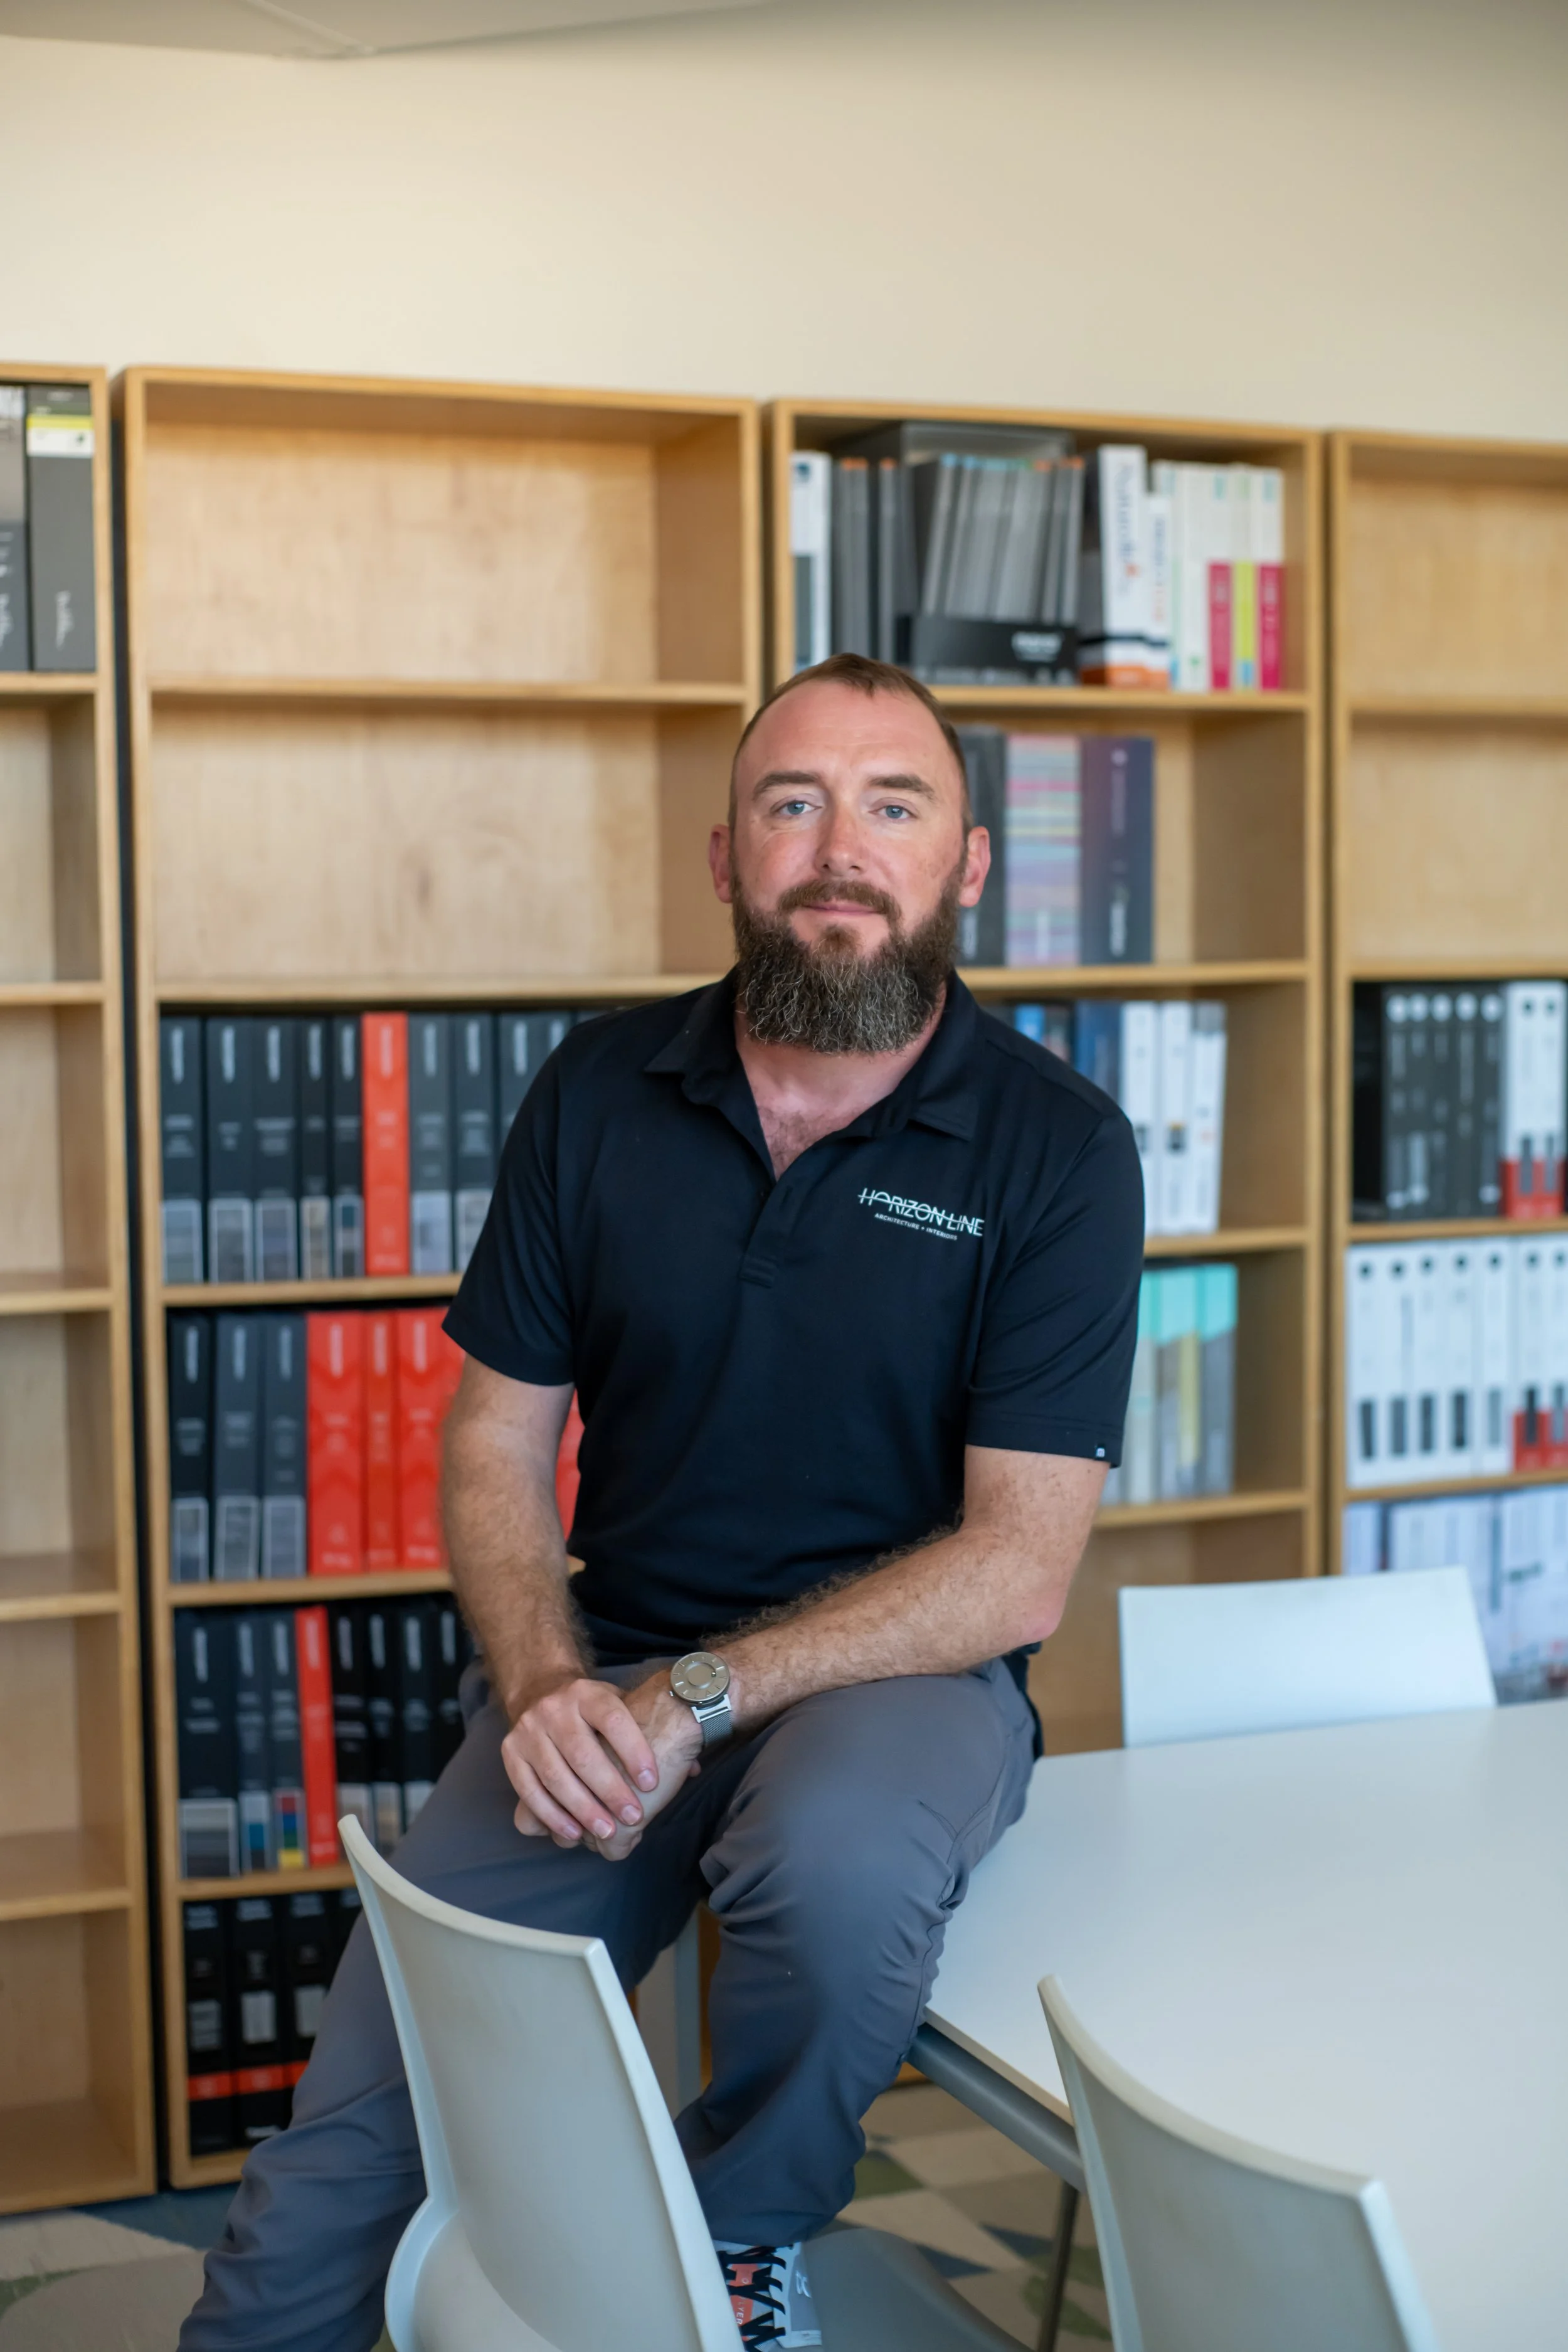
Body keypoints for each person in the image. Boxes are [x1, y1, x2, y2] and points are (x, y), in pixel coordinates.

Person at [179, 652, 1143, 2352]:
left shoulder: (1056, 1147)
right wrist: (547, 1684)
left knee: (833, 1866)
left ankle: (736, 2236)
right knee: (326, 2176)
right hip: (602, 1675)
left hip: (891, 1690)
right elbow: (493, 1443)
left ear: (967, 866)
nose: (839, 847)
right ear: (725, 857)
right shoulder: (599, 1090)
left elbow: (1014, 1566)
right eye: (793, 802)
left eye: (893, 805)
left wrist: (700, 1695)